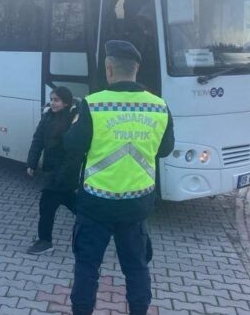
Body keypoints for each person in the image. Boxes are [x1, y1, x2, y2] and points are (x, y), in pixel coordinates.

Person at [65, 40, 175, 315]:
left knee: (87, 266)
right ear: (136, 69)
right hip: (137, 205)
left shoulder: (92, 105)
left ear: (109, 69)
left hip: (95, 204)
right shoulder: (160, 106)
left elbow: (71, 146)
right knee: (136, 268)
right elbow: (165, 149)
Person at [25, 86, 81, 255]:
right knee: (74, 205)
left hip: (64, 172)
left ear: (66, 102)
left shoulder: (74, 119)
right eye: (52, 99)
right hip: (52, 171)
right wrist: (32, 163)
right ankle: (101, 225)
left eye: (56, 100)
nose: (53, 103)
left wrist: (63, 174)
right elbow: (38, 139)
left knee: (47, 205)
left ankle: (45, 241)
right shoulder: (48, 116)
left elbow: (74, 151)